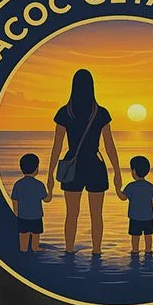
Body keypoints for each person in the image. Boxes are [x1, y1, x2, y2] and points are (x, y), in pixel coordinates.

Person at [45, 68, 121, 256]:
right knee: (97, 215)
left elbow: (57, 146)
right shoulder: (101, 113)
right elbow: (109, 145)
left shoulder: (65, 112)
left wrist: (50, 175)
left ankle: (69, 251)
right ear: (92, 87)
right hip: (95, 165)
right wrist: (117, 171)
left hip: (73, 166)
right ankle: (97, 252)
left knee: (71, 214)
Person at [119, 155, 153, 257]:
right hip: (148, 217)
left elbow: (123, 197)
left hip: (135, 217)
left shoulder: (131, 186)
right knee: (148, 235)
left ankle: (135, 251)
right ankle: (148, 251)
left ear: (134, 171)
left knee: (135, 236)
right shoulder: (150, 186)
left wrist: (117, 189)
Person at [11, 152, 50, 253]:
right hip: (36, 217)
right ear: (36, 169)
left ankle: (23, 249)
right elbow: (46, 199)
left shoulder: (18, 184)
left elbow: (15, 201)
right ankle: (35, 247)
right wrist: (50, 189)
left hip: (23, 217)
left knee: (23, 240)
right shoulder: (39, 185)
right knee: (35, 237)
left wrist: (17, 214)